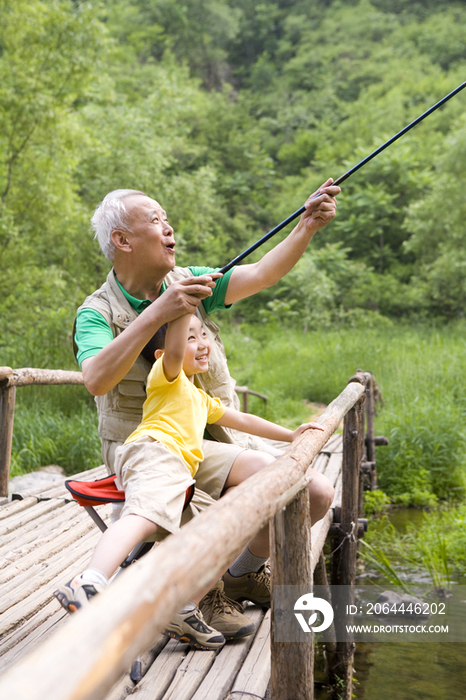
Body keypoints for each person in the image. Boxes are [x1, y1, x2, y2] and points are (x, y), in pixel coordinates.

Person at [70, 181, 339, 637]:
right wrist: (157, 313)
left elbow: (262, 273)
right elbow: (96, 378)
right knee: (220, 500)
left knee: (313, 492)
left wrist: (306, 226)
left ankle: (239, 575)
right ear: (122, 240)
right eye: (155, 220)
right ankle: (196, 593)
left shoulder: (190, 280)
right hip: (143, 445)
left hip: (206, 435)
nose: (169, 227)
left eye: (166, 217)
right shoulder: (95, 313)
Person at [55, 311, 325, 649]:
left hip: (180, 471)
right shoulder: (166, 377)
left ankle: (183, 605)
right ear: (164, 354)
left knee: (221, 528)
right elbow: (173, 348)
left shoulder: (199, 397)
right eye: (190, 337)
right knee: (144, 515)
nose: (202, 344)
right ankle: (89, 579)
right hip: (153, 451)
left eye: (204, 335)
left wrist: (291, 434)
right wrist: (183, 306)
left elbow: (242, 418)